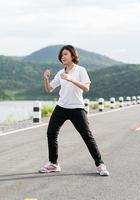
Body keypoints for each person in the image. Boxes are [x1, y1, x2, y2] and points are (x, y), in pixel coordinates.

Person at [39, 45, 109, 176]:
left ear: (72, 56)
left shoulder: (80, 70)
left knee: (87, 136)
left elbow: (86, 88)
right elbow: (49, 89)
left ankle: (100, 164)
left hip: (77, 107)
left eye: (65, 54)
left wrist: (71, 79)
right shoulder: (61, 73)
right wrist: (46, 79)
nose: (62, 57)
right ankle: (53, 163)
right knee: (51, 132)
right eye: (61, 55)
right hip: (61, 107)